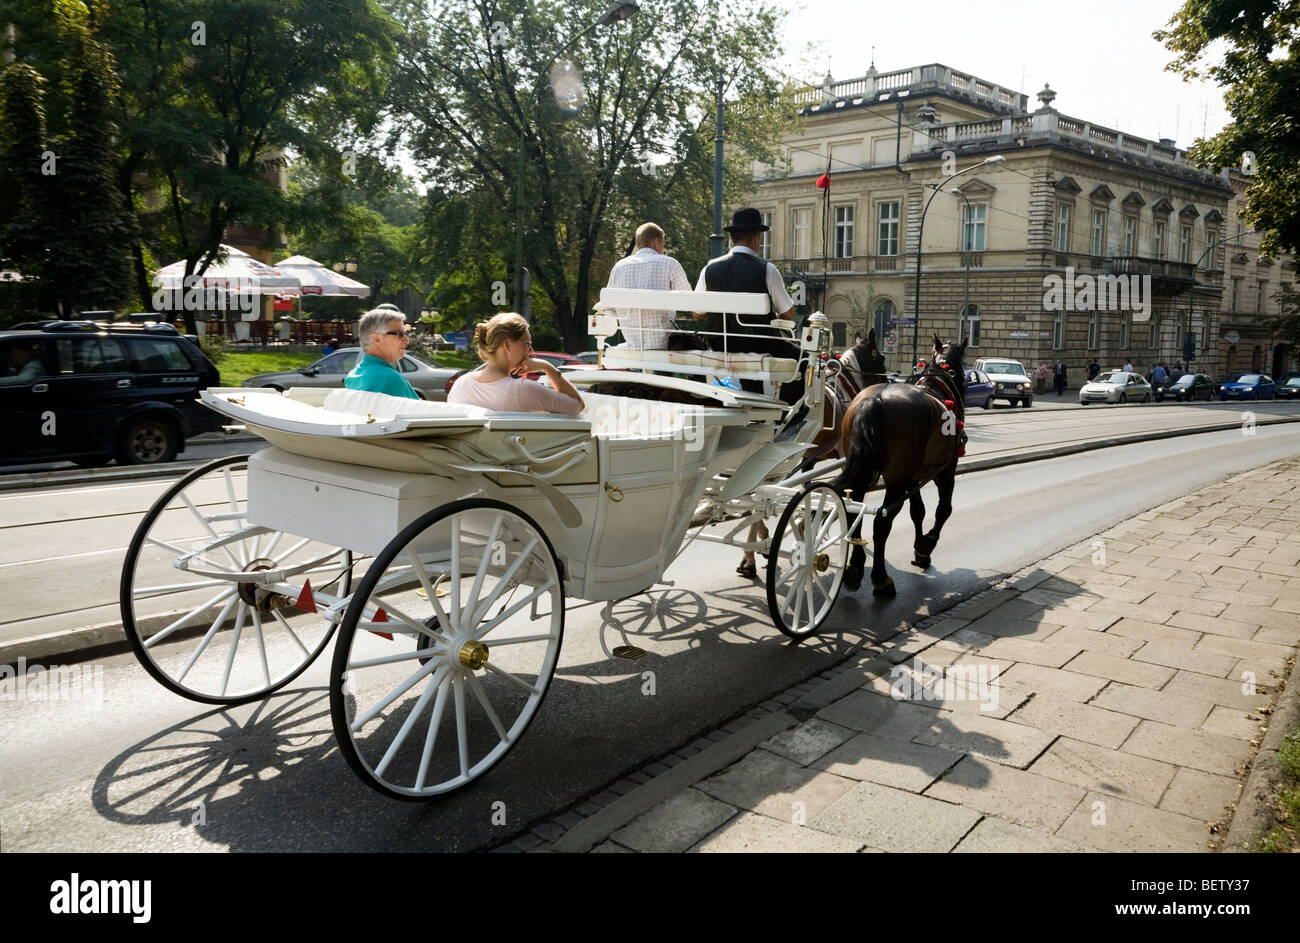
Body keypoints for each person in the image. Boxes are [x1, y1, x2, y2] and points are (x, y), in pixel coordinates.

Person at [693, 207, 803, 401]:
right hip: (760, 344)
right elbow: (787, 313)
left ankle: (754, 401)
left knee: (748, 348)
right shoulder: (767, 269)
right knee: (802, 358)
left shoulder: (709, 268)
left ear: (732, 238)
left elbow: (697, 313)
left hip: (720, 344)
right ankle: (790, 409)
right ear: (756, 237)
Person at [448, 312, 584, 415]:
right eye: (527, 344)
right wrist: (547, 367)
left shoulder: (460, 384)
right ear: (507, 345)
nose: (531, 350)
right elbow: (578, 405)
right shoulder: (523, 389)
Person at [604, 222, 691, 349]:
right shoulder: (670, 264)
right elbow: (689, 300)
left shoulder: (619, 267)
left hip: (631, 344)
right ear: (656, 241)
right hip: (663, 345)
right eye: (663, 244)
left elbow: (609, 306)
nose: (663, 248)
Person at [343, 309, 420, 399]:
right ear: (377, 339)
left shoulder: (353, 375)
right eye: (400, 334)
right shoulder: (389, 378)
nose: (407, 341)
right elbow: (420, 412)